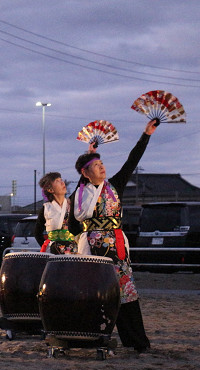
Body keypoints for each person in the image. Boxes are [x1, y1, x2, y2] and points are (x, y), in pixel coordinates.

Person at [68, 119, 158, 354]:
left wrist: (145, 134)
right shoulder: (79, 196)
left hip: (116, 247)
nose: (102, 167)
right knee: (96, 293)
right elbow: (72, 225)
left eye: (102, 163)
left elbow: (132, 161)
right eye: (96, 165)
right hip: (92, 249)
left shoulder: (114, 186)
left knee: (126, 292)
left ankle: (137, 341)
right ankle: (92, 337)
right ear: (85, 173)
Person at [34, 172, 77, 254]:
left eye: (61, 180)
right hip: (53, 249)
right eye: (57, 181)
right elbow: (37, 233)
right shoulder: (46, 208)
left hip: (72, 248)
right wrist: (47, 246)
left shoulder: (72, 205)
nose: (62, 183)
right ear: (50, 189)